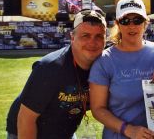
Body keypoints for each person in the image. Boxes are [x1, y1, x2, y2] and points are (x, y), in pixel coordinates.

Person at [17, 9, 107, 139]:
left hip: (65, 131)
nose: (92, 43)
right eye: (85, 36)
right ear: (72, 37)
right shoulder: (50, 68)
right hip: (29, 131)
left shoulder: (105, 63)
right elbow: (26, 119)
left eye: (99, 36)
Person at [89, 0, 154, 139]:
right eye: (125, 21)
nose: (131, 26)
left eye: (137, 20)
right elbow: (98, 109)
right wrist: (128, 129)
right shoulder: (105, 61)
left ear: (145, 23)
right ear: (117, 24)